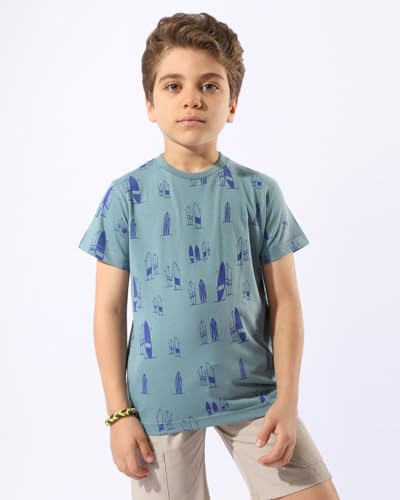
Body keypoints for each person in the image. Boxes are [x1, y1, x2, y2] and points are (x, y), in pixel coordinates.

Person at [78, 11, 340, 500]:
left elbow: (286, 302)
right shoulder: (126, 196)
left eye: (210, 85)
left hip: (254, 394)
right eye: (173, 85)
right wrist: (118, 413)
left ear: (232, 103)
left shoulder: (259, 192)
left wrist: (287, 401)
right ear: (150, 104)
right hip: (159, 403)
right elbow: (108, 309)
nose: (192, 98)